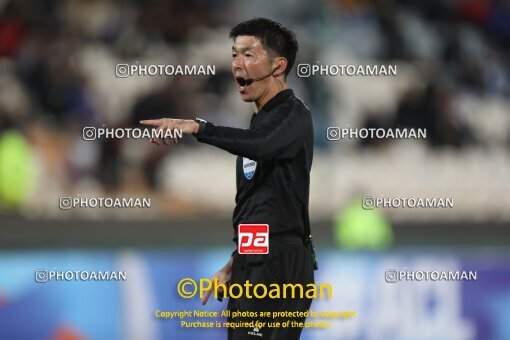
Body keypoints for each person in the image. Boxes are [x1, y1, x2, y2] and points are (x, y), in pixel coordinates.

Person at [141, 17, 317, 340]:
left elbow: (261, 147)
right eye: (234, 54)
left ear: (279, 66)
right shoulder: (260, 124)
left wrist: (199, 127)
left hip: (280, 264)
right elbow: (259, 207)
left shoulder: (294, 115)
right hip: (254, 259)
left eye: (249, 55)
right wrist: (234, 264)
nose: (237, 64)